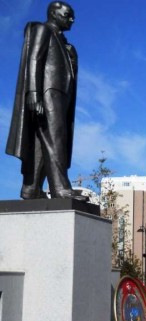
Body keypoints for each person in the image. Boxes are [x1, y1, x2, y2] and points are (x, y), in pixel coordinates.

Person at [6, 2, 86, 200]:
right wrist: (33, 92)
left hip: (61, 98)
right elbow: (34, 60)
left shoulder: (64, 43)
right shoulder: (42, 30)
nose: (72, 19)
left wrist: (71, 58)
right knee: (55, 139)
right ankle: (60, 189)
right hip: (48, 93)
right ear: (53, 13)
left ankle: (31, 188)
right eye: (67, 15)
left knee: (42, 141)